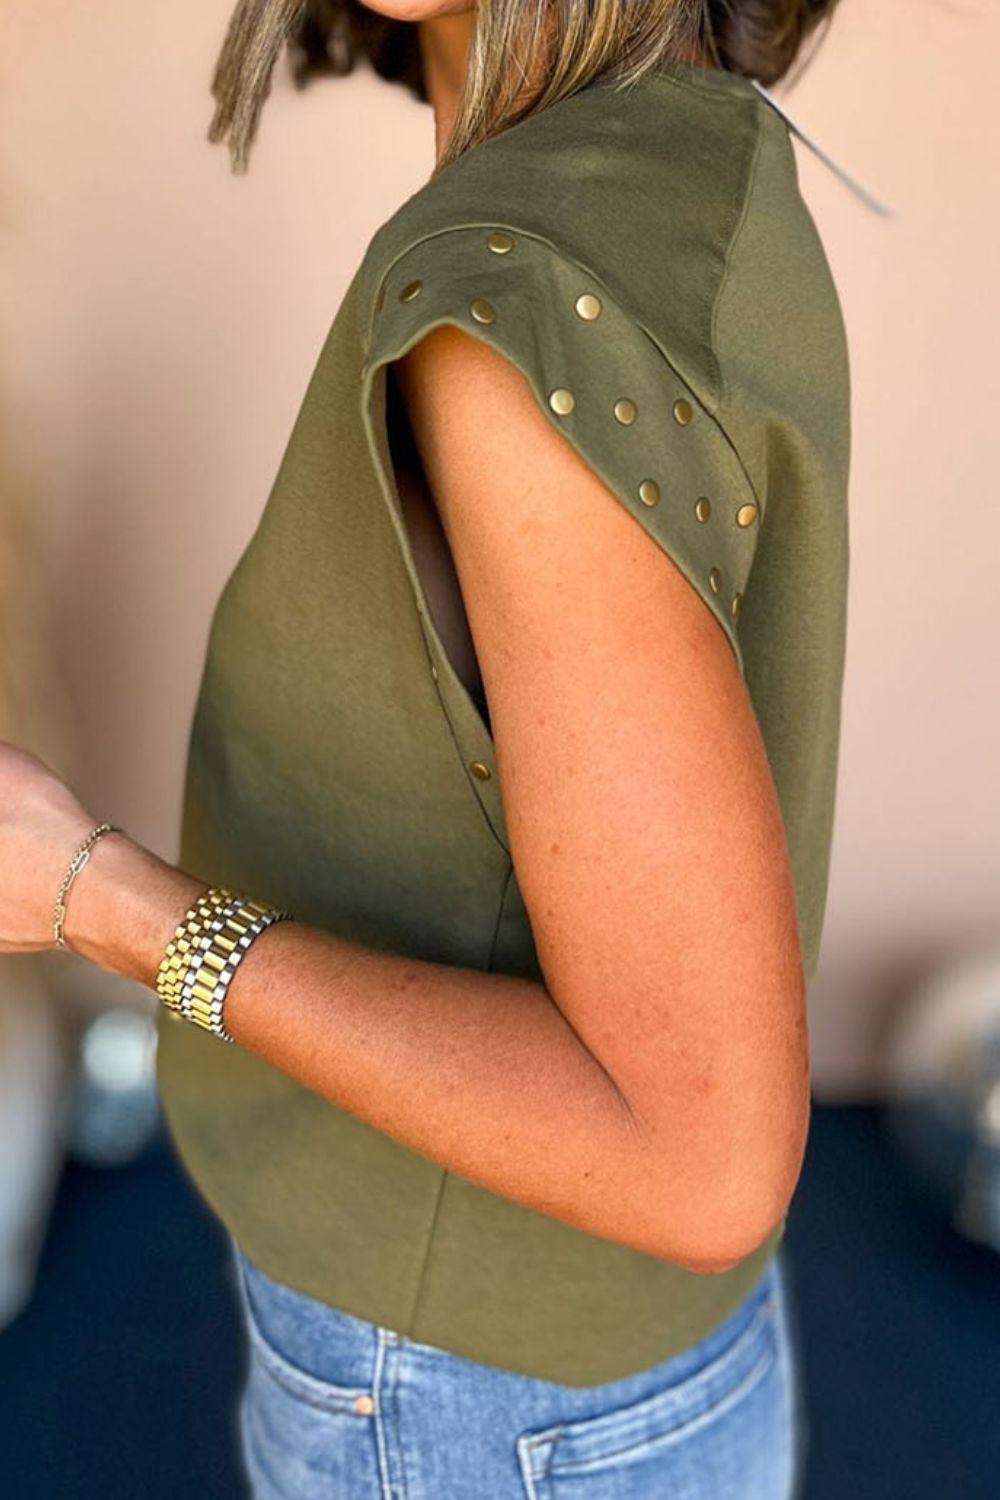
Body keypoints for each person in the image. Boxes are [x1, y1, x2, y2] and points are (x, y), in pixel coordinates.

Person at [0, 0, 853, 1494]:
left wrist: (100, 898)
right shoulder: (690, 164)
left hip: (469, 1403)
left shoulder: (523, 298)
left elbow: (697, 1153)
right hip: (590, 1379)